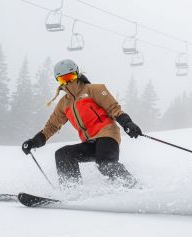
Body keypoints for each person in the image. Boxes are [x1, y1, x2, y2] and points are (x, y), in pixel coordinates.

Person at [22, 59, 143, 188]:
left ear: (77, 74)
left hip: (107, 135)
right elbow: (51, 127)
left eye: (70, 76)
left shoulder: (94, 90)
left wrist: (127, 124)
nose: (68, 82)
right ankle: (72, 191)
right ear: (58, 81)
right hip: (89, 142)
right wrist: (33, 142)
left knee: (104, 163)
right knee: (63, 154)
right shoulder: (64, 103)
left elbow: (113, 108)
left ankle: (132, 186)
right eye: (63, 79)